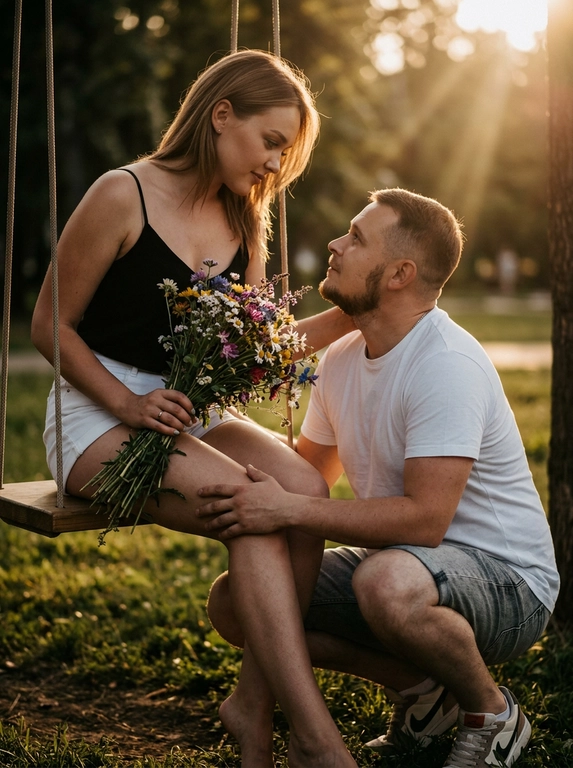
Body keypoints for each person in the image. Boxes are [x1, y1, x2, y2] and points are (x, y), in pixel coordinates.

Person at [32, 49, 358, 768]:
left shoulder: (245, 219)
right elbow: (48, 323)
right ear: (220, 115)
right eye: (271, 141)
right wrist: (128, 401)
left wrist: (353, 311)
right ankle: (314, 740)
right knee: (252, 507)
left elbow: (251, 354)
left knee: (302, 491)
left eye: (287, 152)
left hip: (185, 409)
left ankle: (252, 705)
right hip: (95, 409)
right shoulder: (124, 194)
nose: (276, 164)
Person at [199, 188, 560, 768]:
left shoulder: (446, 363)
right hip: (407, 565)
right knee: (239, 603)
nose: (337, 245)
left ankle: (490, 711)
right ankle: (423, 693)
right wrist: (221, 459)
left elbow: (425, 519)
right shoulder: (342, 357)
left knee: (385, 583)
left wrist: (286, 511)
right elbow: (308, 475)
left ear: (399, 273)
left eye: (356, 238)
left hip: (510, 581)